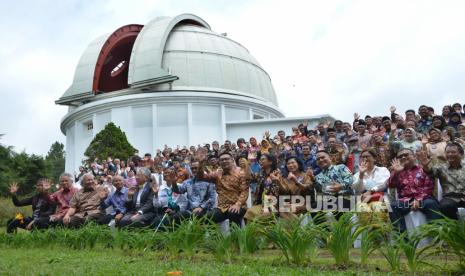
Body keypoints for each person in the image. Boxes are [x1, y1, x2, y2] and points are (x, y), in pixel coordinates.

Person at [387, 148, 440, 233]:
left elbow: (429, 187)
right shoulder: (397, 172)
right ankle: (402, 241)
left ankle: (438, 238)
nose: (403, 157)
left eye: (406, 155)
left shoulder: (423, 168)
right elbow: (390, 185)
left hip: (424, 199)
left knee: (431, 204)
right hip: (405, 201)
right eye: (400, 156)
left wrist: (418, 200)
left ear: (414, 156)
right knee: (393, 206)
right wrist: (396, 172)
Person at [418, 142, 465, 219]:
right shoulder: (441, 167)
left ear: (461, 154)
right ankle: (454, 228)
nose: (450, 154)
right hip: (450, 198)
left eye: (453, 152)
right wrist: (425, 166)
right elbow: (430, 172)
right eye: (447, 152)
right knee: (445, 206)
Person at [201, 152, 249, 227]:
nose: (224, 161)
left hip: (239, 206)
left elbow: (244, 191)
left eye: (226, 159)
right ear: (219, 162)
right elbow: (201, 177)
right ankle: (216, 238)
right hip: (222, 207)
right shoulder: (217, 174)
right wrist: (201, 163)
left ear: (232, 160)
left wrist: (238, 204)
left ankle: (237, 238)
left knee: (233, 213)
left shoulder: (241, 173)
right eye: (222, 160)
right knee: (208, 217)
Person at [353, 149, 390, 224]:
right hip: (363, 200)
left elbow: (384, 184)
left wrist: (370, 191)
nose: (365, 159)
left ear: (374, 158)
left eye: (367, 156)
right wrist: (361, 175)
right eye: (362, 157)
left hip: (380, 198)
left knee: (377, 207)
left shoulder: (383, 170)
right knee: (362, 209)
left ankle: (379, 234)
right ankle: (368, 234)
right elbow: (358, 189)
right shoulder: (357, 174)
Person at [314, 150, 354, 218]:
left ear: (330, 157)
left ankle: (343, 228)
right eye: (318, 159)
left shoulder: (341, 167)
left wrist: (341, 186)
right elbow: (322, 190)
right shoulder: (317, 177)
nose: (320, 160)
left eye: (323, 157)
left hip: (346, 197)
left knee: (338, 204)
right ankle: (325, 229)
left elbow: (350, 179)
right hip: (329, 200)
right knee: (313, 208)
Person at [244, 154, 279, 221]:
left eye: (263, 159)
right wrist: (247, 165)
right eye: (260, 159)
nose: (260, 161)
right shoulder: (261, 172)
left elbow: (276, 192)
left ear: (270, 162)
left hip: (273, 203)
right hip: (260, 201)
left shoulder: (277, 173)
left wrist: (268, 207)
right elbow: (250, 177)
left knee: (258, 216)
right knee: (249, 214)